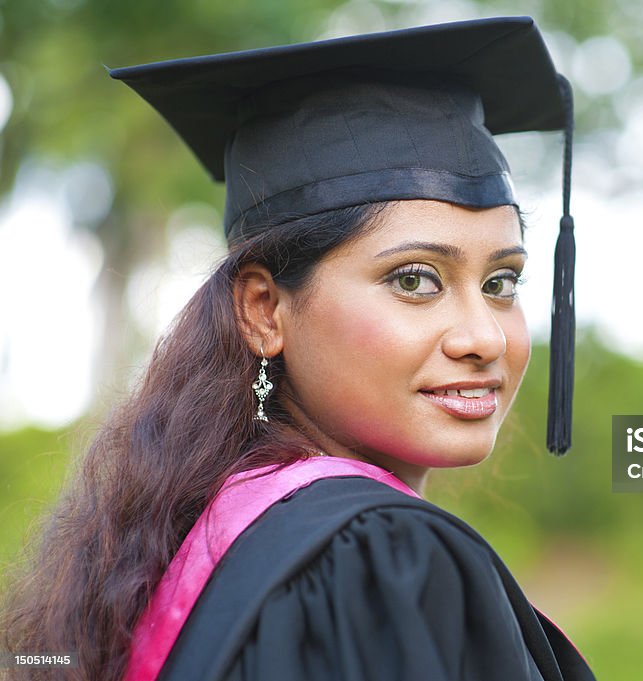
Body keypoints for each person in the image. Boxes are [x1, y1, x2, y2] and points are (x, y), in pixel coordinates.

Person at [0, 16, 591, 681]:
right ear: (262, 310)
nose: (483, 336)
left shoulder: (198, 538)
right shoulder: (382, 558)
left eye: (500, 282)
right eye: (415, 279)